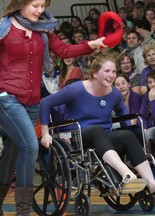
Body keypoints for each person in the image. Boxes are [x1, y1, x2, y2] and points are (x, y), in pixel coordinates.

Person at [0, 0, 109, 215]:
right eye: (36, 6)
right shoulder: (4, 27)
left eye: (43, 6)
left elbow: (64, 50)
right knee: (30, 146)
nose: (40, 10)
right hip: (6, 97)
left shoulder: (43, 28)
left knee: (12, 156)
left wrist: (92, 44)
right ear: (21, 3)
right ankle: (23, 212)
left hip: (32, 101)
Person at [40, 52, 155, 198]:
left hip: (103, 137)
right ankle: (126, 173)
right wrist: (45, 133)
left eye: (113, 71)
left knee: (127, 135)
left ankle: (152, 183)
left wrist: (131, 131)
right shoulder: (77, 89)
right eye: (106, 71)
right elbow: (45, 103)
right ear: (94, 73)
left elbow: (124, 118)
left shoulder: (114, 94)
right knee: (96, 130)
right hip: (77, 137)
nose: (111, 75)